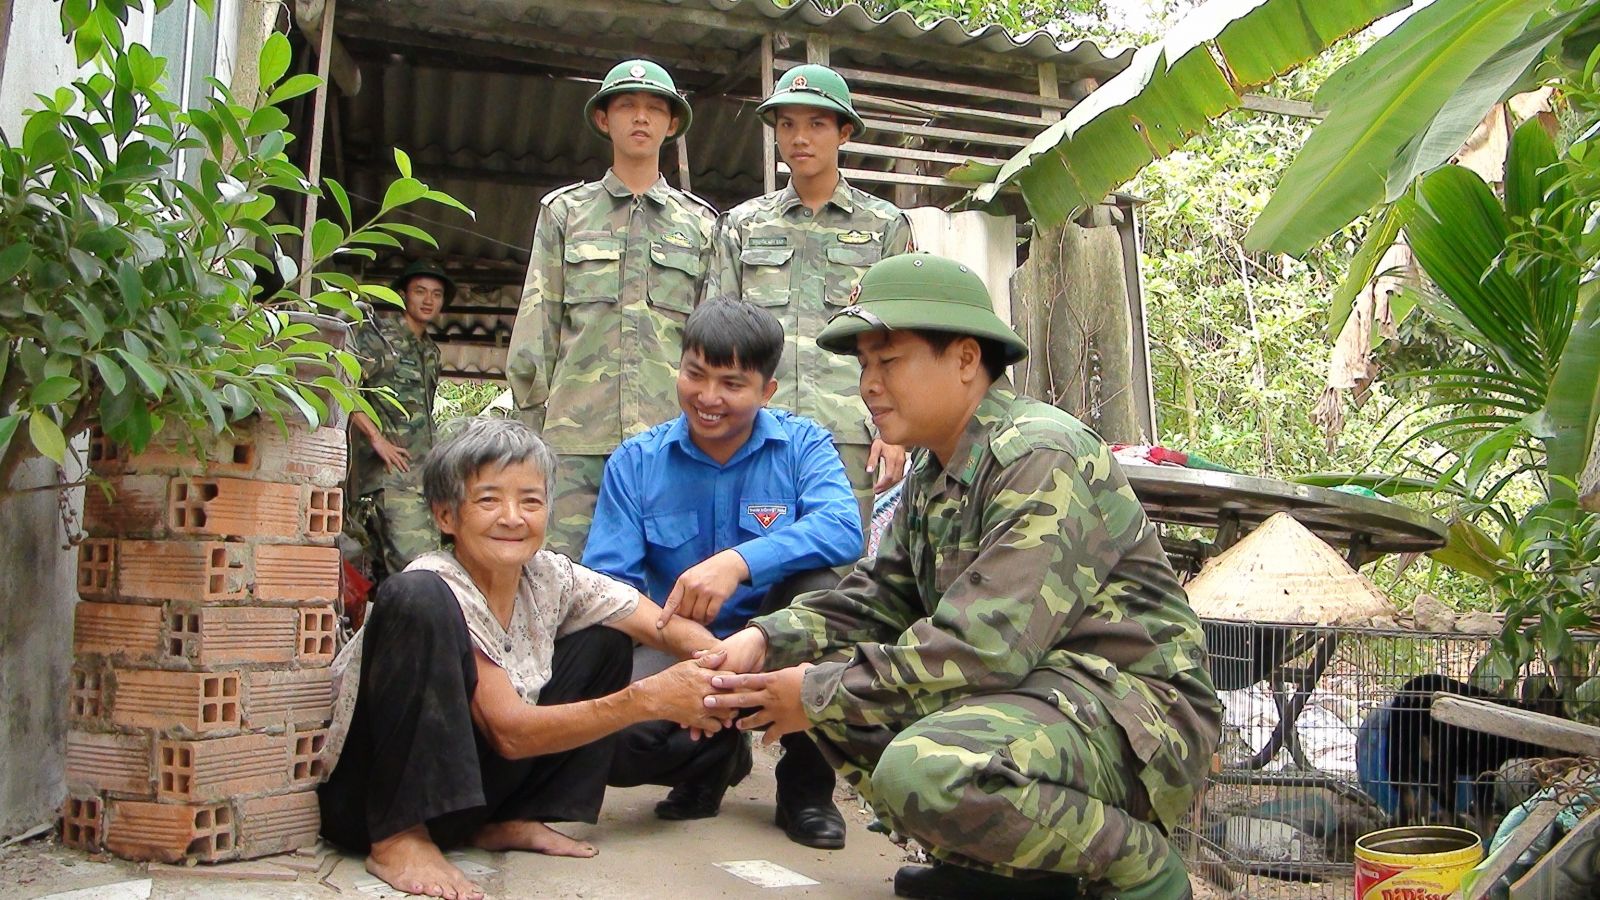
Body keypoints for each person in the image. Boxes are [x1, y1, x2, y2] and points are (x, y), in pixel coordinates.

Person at [703, 254, 1222, 900]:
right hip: (1042, 698)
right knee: (843, 694)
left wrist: (809, 690)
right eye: (864, 364)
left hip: (1136, 718)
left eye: (888, 362)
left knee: (917, 762)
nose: (868, 384)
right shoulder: (935, 472)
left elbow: (982, 646)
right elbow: (878, 596)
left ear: (966, 360)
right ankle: (994, 867)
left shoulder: (1039, 456)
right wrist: (765, 641)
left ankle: (1137, 866)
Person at [318, 418, 733, 900]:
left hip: (466, 799)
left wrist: (725, 671)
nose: (512, 517)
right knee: (411, 596)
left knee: (606, 639)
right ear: (446, 516)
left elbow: (658, 624)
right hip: (367, 807)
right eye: (488, 500)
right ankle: (400, 839)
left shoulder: (549, 576)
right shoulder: (438, 582)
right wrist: (650, 699)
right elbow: (509, 733)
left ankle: (510, 817)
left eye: (530, 501)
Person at [584, 299, 862, 848]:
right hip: (679, 643)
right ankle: (707, 765)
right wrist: (702, 651)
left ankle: (806, 791)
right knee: (608, 733)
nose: (708, 398)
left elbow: (842, 527)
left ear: (767, 392)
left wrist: (738, 562)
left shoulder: (803, 445)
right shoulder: (636, 462)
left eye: (732, 383)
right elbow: (607, 586)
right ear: (679, 369)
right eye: (695, 375)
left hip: (772, 643)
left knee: (823, 593)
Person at [506, 58, 717, 561]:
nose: (640, 118)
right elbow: (539, 327)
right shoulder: (565, 214)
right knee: (560, 581)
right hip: (575, 441)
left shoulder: (703, 226)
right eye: (627, 106)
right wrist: (531, 438)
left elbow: (713, 344)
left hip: (672, 442)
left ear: (672, 124)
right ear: (604, 119)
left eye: (654, 108)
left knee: (670, 581)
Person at [702, 63, 913, 529]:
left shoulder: (885, 227)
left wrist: (895, 431)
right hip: (758, 437)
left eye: (817, 124)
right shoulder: (742, 226)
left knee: (845, 574)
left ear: (843, 133)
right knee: (754, 567)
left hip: (851, 436)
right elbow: (718, 339)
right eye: (787, 124)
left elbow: (901, 341)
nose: (800, 138)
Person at [346, 259, 449, 580]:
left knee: (409, 571)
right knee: (419, 569)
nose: (428, 300)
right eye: (420, 291)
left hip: (421, 476)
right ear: (403, 295)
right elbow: (345, 388)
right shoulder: (380, 337)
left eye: (436, 293)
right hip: (390, 477)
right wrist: (376, 439)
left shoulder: (430, 352)